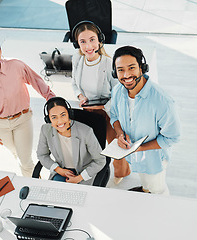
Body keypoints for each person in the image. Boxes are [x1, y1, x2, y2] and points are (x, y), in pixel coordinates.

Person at [0, 34, 55, 177]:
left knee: (25, 160)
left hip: (22, 119)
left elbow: (36, 80)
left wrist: (52, 99)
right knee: (16, 153)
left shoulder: (16, 65)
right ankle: (34, 177)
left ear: (0, 51)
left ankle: (36, 187)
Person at [110, 46, 181, 195]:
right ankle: (146, 190)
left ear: (142, 68)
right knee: (146, 184)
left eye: (131, 68)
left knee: (157, 190)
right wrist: (119, 133)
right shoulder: (117, 91)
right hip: (134, 155)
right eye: (121, 70)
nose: (127, 75)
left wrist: (139, 148)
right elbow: (114, 116)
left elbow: (172, 137)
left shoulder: (162, 101)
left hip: (153, 160)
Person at [70, 21, 124, 182]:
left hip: (107, 111)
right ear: (77, 44)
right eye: (83, 41)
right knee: (92, 145)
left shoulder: (108, 63)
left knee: (115, 146)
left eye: (92, 39)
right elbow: (74, 83)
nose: (89, 46)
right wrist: (80, 96)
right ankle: (93, 170)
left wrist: (102, 106)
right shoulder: (77, 59)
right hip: (88, 111)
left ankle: (121, 172)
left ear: (100, 40)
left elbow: (118, 92)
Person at [36, 97, 106, 185]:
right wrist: (58, 170)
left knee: (78, 196)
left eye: (63, 115)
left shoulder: (86, 131)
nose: (59, 121)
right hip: (62, 171)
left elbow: (100, 160)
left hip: (84, 172)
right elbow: (42, 155)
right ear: (48, 119)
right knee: (53, 194)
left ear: (69, 114)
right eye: (54, 117)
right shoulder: (45, 130)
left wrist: (79, 178)